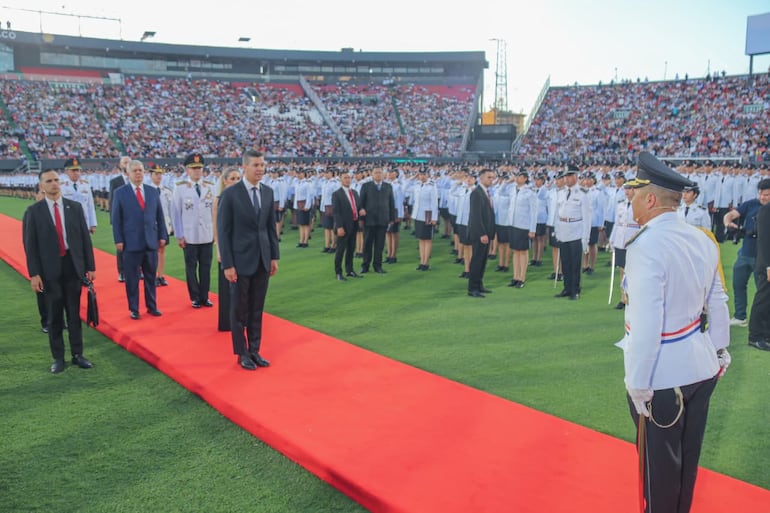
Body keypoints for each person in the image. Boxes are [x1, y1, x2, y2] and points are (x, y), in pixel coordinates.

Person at [620, 152, 730, 513]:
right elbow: (717, 300)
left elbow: (647, 323)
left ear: (650, 199)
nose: (630, 200)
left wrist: (637, 383)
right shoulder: (702, 238)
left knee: (659, 476)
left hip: (663, 378)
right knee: (686, 469)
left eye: (634, 194)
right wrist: (719, 349)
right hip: (700, 367)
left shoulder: (645, 245)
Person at [22, 169, 96, 373]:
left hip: (73, 267)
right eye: (49, 181)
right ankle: (58, 358)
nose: (54, 184)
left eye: (56, 180)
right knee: (54, 316)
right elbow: (30, 246)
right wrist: (34, 274)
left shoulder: (75, 207)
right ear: (41, 186)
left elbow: (84, 239)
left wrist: (90, 267)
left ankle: (77, 354)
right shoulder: (33, 212)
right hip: (48, 272)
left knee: (74, 313)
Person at [217, 149, 280, 371]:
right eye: (256, 165)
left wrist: (274, 256)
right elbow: (223, 232)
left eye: (262, 165)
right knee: (239, 310)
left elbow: (271, 228)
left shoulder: (268, 192)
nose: (260, 169)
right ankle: (241, 352)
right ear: (245, 167)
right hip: (240, 261)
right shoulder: (231, 194)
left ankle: (255, 349)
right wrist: (228, 264)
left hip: (262, 259)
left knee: (256, 308)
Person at [111, 160, 168, 320]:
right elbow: (116, 219)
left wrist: (162, 235)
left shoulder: (152, 191)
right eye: (135, 170)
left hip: (151, 242)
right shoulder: (120, 193)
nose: (138, 173)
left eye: (141, 170)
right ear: (128, 173)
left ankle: (152, 306)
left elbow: (160, 216)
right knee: (132, 278)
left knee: (151, 276)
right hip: (131, 243)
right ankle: (134, 308)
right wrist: (119, 239)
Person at [723, 179, 770, 327]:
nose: (763, 197)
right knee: (738, 284)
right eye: (761, 194)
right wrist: (728, 222)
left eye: (767, 195)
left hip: (763, 258)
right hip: (745, 253)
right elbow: (730, 215)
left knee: (763, 292)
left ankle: (765, 321)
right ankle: (739, 316)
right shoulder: (750, 204)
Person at [172, 153, 216, 309]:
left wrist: (215, 233)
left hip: (207, 234)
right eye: (194, 168)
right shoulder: (180, 187)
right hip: (189, 235)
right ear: (187, 170)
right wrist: (179, 235)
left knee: (206, 267)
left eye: (199, 168)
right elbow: (176, 213)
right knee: (191, 267)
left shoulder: (210, 186)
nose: (197, 171)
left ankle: (205, 296)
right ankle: (195, 297)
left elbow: (214, 212)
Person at [554, 164, 591, 300]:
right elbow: (557, 214)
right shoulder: (561, 193)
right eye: (565, 176)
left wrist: (585, 239)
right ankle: (566, 287)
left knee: (575, 263)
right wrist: (557, 231)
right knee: (565, 262)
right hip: (563, 230)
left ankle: (575, 289)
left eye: (569, 176)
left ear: (576, 176)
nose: (567, 179)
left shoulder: (582, 194)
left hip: (576, 231)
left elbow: (587, 218)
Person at [212, 167, 241, 331]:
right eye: (232, 179)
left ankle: (240, 319)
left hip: (240, 248)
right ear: (225, 181)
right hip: (226, 248)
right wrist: (219, 250)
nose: (236, 182)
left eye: (238, 178)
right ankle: (227, 321)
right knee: (227, 287)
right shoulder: (219, 199)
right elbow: (217, 228)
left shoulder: (243, 198)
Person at [358, 165, 396, 274]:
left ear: (383, 174)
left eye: (380, 172)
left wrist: (391, 218)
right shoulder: (366, 186)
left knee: (379, 245)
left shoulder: (388, 186)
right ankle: (365, 266)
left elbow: (391, 203)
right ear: (372, 174)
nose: (378, 175)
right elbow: (361, 203)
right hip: (369, 220)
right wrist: (361, 217)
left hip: (383, 220)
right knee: (367, 244)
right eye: (376, 173)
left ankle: (378, 266)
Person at [467, 168, 496, 297]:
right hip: (480, 234)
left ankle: (479, 284)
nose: (492, 180)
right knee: (477, 260)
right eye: (489, 177)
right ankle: (473, 288)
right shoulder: (477, 193)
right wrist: (482, 233)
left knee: (483, 260)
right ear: (481, 178)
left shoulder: (486, 193)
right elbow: (476, 216)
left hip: (486, 233)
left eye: (492, 177)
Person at [506, 169, 537, 288]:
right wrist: (508, 181)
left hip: (524, 225)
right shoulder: (512, 189)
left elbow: (533, 212)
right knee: (515, 251)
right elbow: (501, 190)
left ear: (525, 178)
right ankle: (515, 276)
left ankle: (522, 278)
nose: (517, 178)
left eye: (519, 177)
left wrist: (532, 229)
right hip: (513, 224)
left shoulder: (530, 192)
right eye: (516, 176)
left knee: (523, 252)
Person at [332, 171, 362, 281]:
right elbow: (336, 212)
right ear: (341, 180)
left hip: (354, 224)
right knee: (340, 250)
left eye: (349, 178)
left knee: (351, 249)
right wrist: (339, 226)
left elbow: (357, 206)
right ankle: (338, 272)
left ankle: (350, 270)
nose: (347, 180)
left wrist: (361, 209)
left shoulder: (354, 192)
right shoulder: (337, 194)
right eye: (345, 178)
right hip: (343, 226)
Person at [748, 199, 770, 350]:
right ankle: (755, 336)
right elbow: (765, 240)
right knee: (763, 298)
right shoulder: (766, 210)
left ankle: (766, 334)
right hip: (767, 263)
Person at [147, 163, 173, 287]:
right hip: (150, 226)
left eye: (160, 174)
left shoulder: (166, 191)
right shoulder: (146, 190)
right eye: (156, 174)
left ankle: (160, 276)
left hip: (163, 226)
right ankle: (150, 275)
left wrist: (172, 226)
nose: (159, 176)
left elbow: (171, 210)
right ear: (151, 175)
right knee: (150, 252)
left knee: (162, 250)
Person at [60, 157, 97, 235]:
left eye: (78, 170)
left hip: (84, 221)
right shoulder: (61, 186)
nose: (76, 173)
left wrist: (93, 224)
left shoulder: (86, 185)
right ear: (66, 171)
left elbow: (90, 206)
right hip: (68, 222)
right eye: (73, 170)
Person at [108, 155, 131, 282]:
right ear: (120, 165)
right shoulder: (115, 181)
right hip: (121, 219)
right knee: (121, 246)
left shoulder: (137, 180)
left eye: (129, 162)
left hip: (134, 219)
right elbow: (112, 202)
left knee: (136, 245)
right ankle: (122, 271)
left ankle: (137, 270)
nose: (126, 164)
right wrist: (113, 220)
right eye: (124, 162)